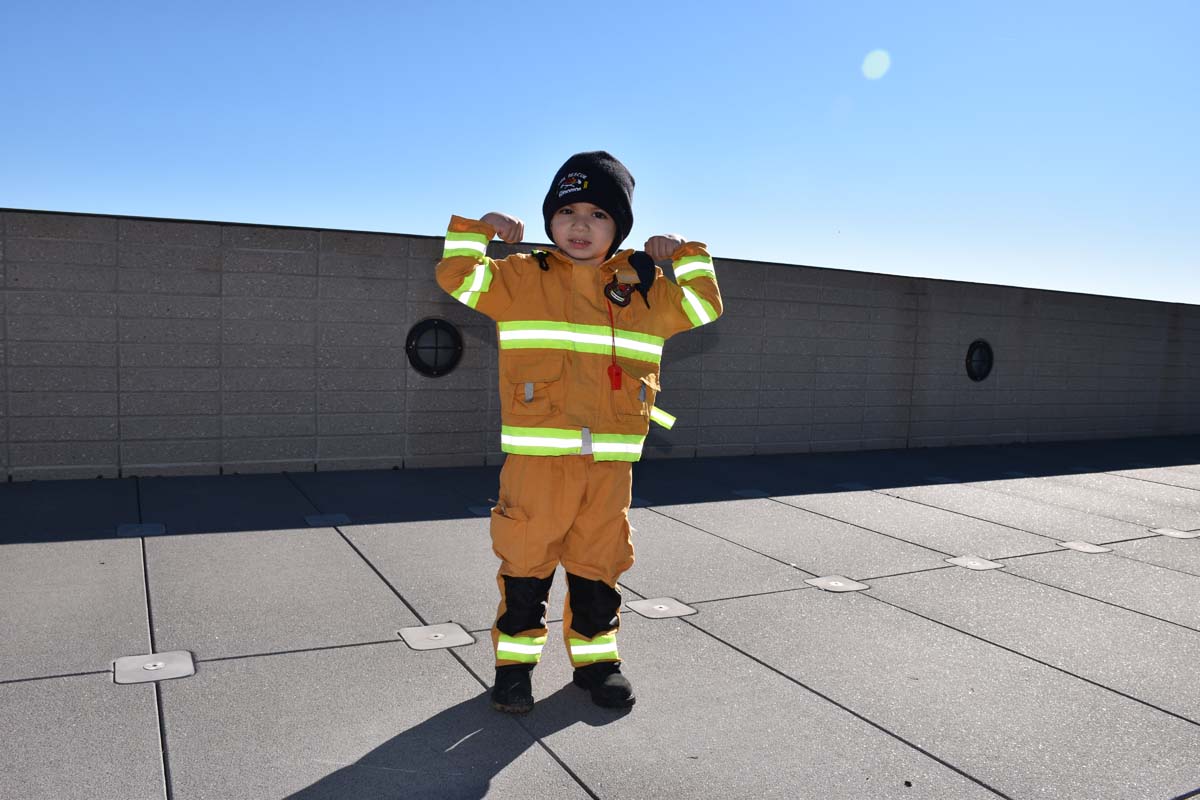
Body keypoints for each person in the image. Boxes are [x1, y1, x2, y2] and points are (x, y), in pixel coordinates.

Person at [435, 151, 723, 713]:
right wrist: (480, 231)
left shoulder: (644, 286)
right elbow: (457, 277)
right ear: (549, 222)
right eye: (568, 211)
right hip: (538, 464)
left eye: (598, 213)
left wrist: (683, 254)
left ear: (619, 227)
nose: (581, 224)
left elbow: (703, 305)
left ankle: (597, 664)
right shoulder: (519, 277)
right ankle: (514, 670)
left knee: (599, 564)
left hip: (609, 469)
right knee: (526, 564)